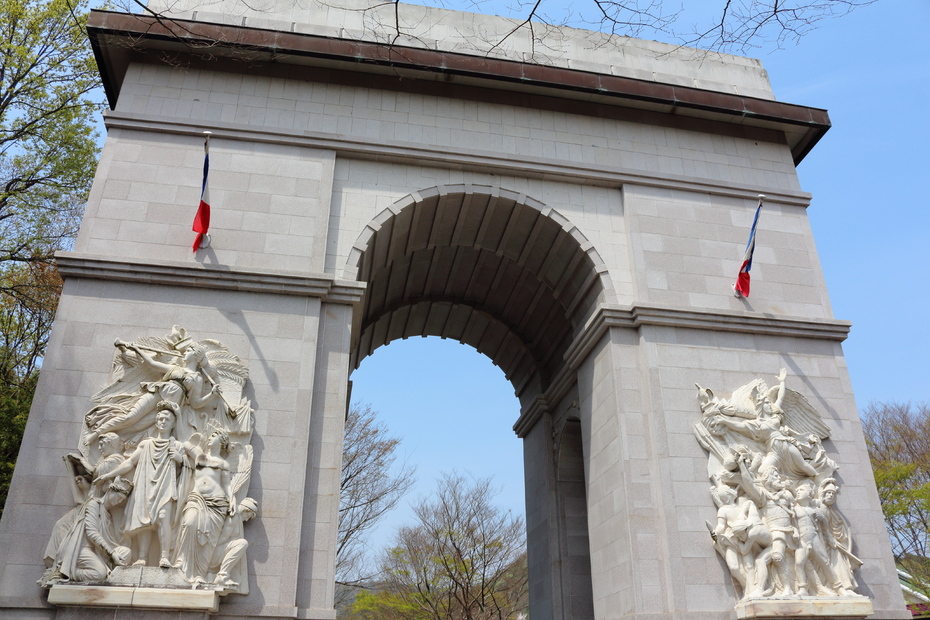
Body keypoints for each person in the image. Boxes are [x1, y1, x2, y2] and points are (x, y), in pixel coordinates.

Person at [97, 401, 184, 568]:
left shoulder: (176, 445)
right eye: (160, 419)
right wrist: (108, 475)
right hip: (145, 484)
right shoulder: (146, 444)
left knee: (163, 517)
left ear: (173, 423)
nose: (163, 422)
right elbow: (129, 463)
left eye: (167, 419)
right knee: (144, 521)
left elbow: (188, 467)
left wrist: (180, 459)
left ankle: (164, 556)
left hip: (165, 486)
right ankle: (142, 557)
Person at [85, 342, 220, 444]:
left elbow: (195, 403)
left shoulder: (198, 378)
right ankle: (96, 433)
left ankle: (114, 439)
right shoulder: (175, 368)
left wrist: (211, 395)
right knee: (130, 417)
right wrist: (137, 349)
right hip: (156, 393)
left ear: (196, 355)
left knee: (139, 425)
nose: (184, 352)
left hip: (168, 406)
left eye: (188, 350)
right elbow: (151, 363)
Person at [712, 369, 820, 479]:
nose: (770, 405)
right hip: (773, 450)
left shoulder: (775, 416)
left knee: (802, 465)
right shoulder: (757, 423)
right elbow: (740, 426)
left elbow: (780, 397)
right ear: (761, 406)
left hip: (785, 444)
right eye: (767, 403)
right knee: (761, 471)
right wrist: (724, 421)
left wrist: (782, 382)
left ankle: (818, 479)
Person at [173, 430, 234, 583]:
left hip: (216, 503)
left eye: (214, 436)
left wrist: (232, 500)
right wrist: (178, 413)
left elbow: (227, 486)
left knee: (208, 538)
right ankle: (181, 561)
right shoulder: (199, 455)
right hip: (196, 497)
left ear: (221, 442)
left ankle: (200, 573)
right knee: (189, 523)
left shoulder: (223, 464)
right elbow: (184, 440)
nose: (210, 438)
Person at [52, 477, 133, 583]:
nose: (119, 501)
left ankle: (108, 569)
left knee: (126, 552)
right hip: (82, 549)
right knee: (99, 574)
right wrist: (112, 553)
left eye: (122, 500)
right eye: (118, 497)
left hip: (97, 550)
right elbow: (92, 532)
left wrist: (115, 552)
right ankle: (67, 571)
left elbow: (109, 540)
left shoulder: (108, 514)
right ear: (110, 491)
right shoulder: (94, 504)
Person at [211, 497, 258, 593]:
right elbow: (221, 539)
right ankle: (222, 576)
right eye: (248, 516)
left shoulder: (237, 517)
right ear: (246, 510)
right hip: (214, 553)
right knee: (242, 543)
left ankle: (223, 575)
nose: (247, 519)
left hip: (219, 551)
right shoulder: (233, 517)